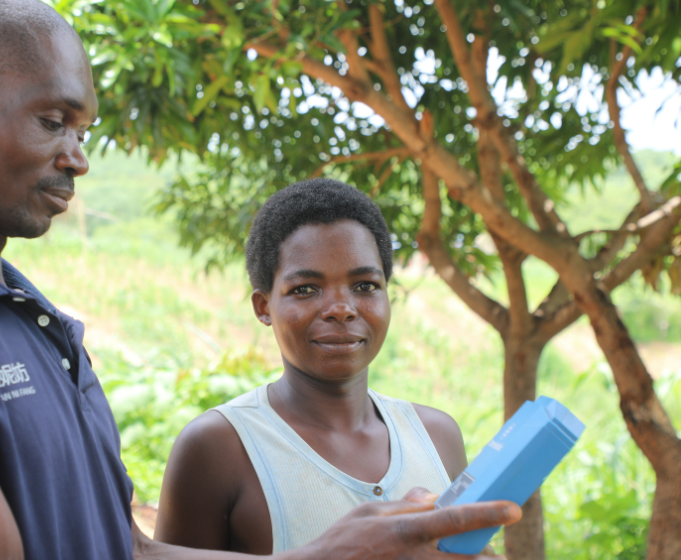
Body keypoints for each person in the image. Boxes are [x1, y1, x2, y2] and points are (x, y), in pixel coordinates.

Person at [0, 1, 519, 559]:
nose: (77, 157)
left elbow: (124, 549)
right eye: (52, 120)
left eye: (83, 130)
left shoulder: (32, 321)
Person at [154, 179, 473, 554]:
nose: (341, 308)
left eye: (365, 285)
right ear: (263, 307)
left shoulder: (436, 437)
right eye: (305, 289)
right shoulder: (218, 448)